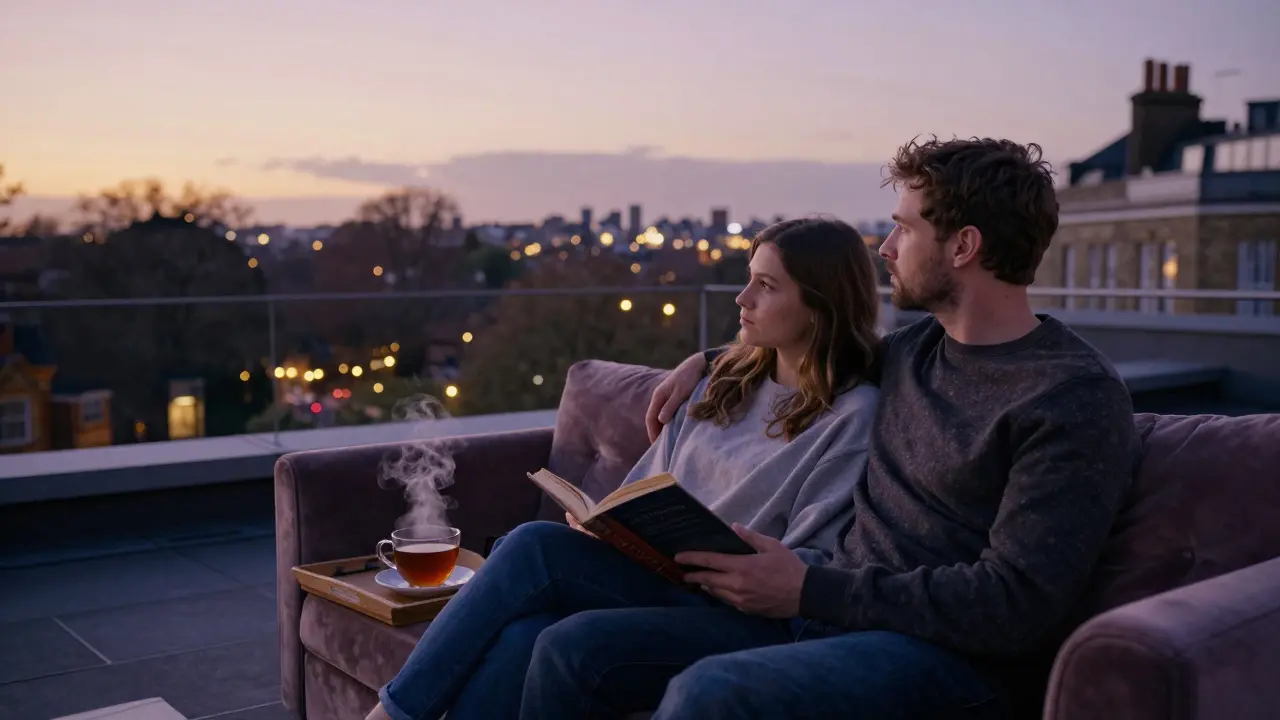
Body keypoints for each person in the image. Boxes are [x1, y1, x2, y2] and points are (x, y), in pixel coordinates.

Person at [522, 136, 1142, 719]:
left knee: (711, 693)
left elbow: (1014, 605)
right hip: (825, 619)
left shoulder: (1070, 397)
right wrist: (708, 362)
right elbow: (811, 343)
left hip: (950, 662)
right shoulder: (915, 350)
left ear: (963, 247)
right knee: (570, 646)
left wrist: (812, 590)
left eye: (905, 227)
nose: (886, 247)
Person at [366, 216, 884, 720]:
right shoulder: (720, 382)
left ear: (820, 306)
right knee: (528, 603)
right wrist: (604, 524)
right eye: (748, 279)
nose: (741, 298)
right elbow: (647, 488)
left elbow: (808, 562)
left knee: (538, 569)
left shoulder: (852, 416)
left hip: (742, 610)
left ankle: (392, 713)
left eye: (765, 286)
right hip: (660, 577)